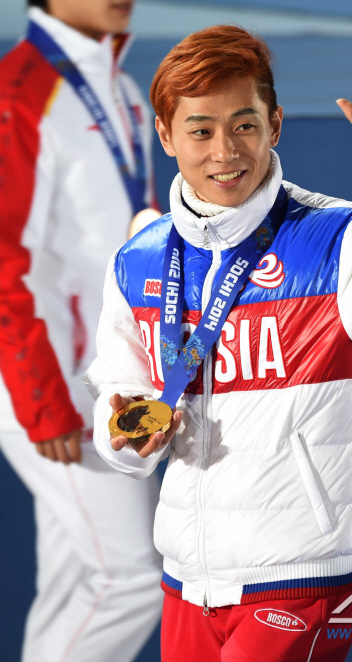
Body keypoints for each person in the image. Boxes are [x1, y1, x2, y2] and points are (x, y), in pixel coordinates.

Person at [85, 25, 352, 661]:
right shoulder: (137, 260)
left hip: (302, 578)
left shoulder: (342, 241)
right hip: (188, 579)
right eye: (201, 131)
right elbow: (120, 390)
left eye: (244, 125)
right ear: (166, 136)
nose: (225, 151)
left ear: (274, 125)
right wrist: (126, 435)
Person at [0, 1, 163, 660]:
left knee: (76, 581)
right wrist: (43, 401)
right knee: (135, 578)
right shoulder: (18, 94)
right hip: (42, 380)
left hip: (103, 373)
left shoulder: (121, 88)